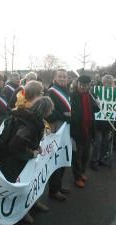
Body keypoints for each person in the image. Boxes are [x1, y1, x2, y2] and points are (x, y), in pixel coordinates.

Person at [0, 96, 53, 224]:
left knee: (31, 181)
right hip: (13, 161)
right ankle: (22, 212)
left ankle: (32, 202)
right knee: (20, 186)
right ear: (45, 110)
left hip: (19, 159)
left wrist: (35, 147)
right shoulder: (28, 124)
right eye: (50, 110)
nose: (52, 113)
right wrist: (32, 153)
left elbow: (26, 141)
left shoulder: (33, 119)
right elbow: (15, 146)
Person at [46, 69, 71, 201]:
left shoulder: (66, 91)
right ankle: (53, 190)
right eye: (60, 76)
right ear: (55, 78)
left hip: (65, 129)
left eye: (64, 77)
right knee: (55, 159)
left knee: (63, 157)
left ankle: (59, 186)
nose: (62, 78)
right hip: (56, 129)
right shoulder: (51, 92)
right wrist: (66, 117)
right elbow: (49, 114)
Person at [71, 75, 99, 188]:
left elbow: (95, 110)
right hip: (77, 131)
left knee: (86, 155)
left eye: (86, 85)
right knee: (77, 156)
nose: (84, 87)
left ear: (89, 85)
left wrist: (98, 104)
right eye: (82, 85)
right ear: (78, 84)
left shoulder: (92, 95)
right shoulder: (72, 96)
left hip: (89, 129)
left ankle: (82, 172)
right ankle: (77, 177)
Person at [90, 74, 115, 171]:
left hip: (108, 124)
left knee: (105, 143)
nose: (109, 84)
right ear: (103, 82)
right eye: (107, 82)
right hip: (99, 123)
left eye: (110, 82)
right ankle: (94, 160)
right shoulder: (96, 92)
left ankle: (101, 159)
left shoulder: (115, 93)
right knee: (98, 142)